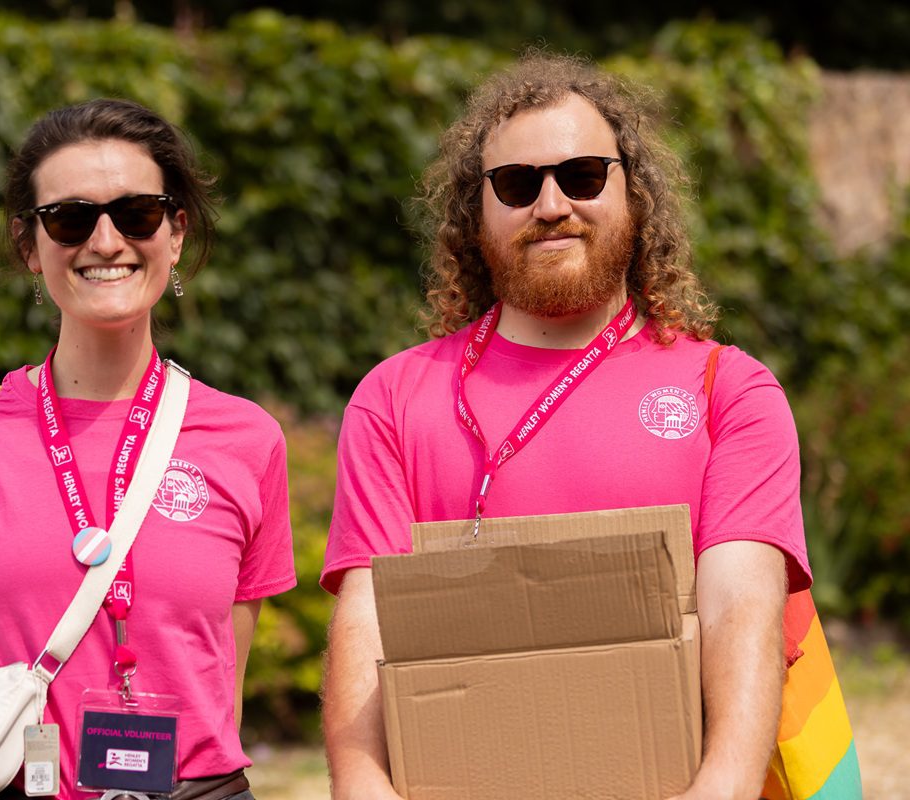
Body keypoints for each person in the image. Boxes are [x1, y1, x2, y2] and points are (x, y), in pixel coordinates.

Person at [320, 53, 812, 800]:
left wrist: (721, 792)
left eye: (582, 176)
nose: (551, 204)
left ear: (634, 195)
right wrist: (362, 788)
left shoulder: (729, 391)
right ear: (475, 213)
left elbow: (740, 607)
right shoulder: (393, 398)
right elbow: (368, 618)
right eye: (517, 185)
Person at [0, 98, 294, 800]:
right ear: (29, 245)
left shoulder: (248, 440)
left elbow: (222, 682)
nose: (106, 242)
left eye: (136, 214)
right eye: (70, 219)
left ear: (175, 232)